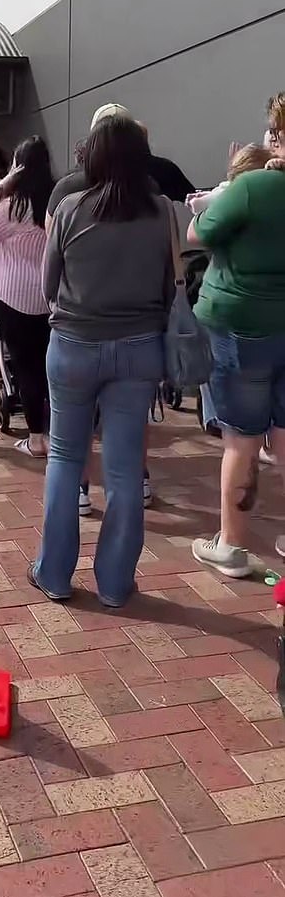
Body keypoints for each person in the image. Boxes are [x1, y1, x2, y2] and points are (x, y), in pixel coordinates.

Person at [28, 116, 174, 606]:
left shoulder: (70, 207)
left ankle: (54, 574)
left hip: (72, 344)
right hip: (138, 349)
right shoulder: (159, 213)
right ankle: (115, 583)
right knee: (125, 469)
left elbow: (49, 286)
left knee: (66, 458)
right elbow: (168, 285)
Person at [189, 96, 285, 578]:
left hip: (242, 321)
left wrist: (222, 192)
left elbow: (197, 233)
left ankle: (232, 546)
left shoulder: (253, 187)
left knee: (242, 441)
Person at [0, 135, 54, 457]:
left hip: (14, 297)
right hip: (48, 295)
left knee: (25, 366)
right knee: (47, 366)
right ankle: (55, 431)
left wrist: (1, 183)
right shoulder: (54, 201)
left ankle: (35, 437)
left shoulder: (13, 207)